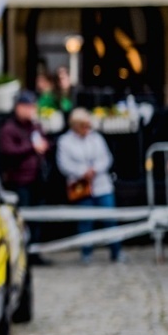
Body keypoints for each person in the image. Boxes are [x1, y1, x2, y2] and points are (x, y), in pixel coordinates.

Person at [57, 108, 123, 263]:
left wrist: (95, 170)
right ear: (75, 126)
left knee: (110, 219)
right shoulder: (65, 141)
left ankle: (116, 251)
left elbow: (106, 158)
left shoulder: (96, 138)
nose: (87, 129)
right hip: (80, 186)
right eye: (83, 126)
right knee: (85, 220)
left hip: (101, 184)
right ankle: (86, 253)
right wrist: (82, 172)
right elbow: (64, 164)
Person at [0, 90, 50, 262]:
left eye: (33, 106)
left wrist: (44, 146)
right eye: (27, 106)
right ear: (18, 107)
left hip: (37, 180)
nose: (31, 110)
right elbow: (8, 151)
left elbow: (44, 143)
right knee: (23, 219)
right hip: (19, 181)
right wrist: (31, 148)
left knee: (38, 219)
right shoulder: (9, 128)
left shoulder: (35, 126)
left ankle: (35, 252)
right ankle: (22, 254)